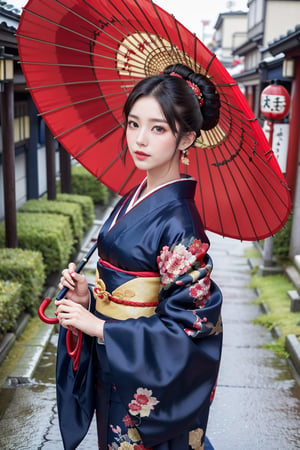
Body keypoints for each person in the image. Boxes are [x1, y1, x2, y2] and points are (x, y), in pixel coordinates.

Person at [55, 63, 223, 450]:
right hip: (116, 366)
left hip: (139, 375)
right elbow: (117, 288)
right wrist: (88, 299)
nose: (140, 139)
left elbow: (189, 329)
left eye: (158, 128)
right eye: (133, 124)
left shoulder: (181, 224)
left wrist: (99, 328)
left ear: (187, 139)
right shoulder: (134, 197)